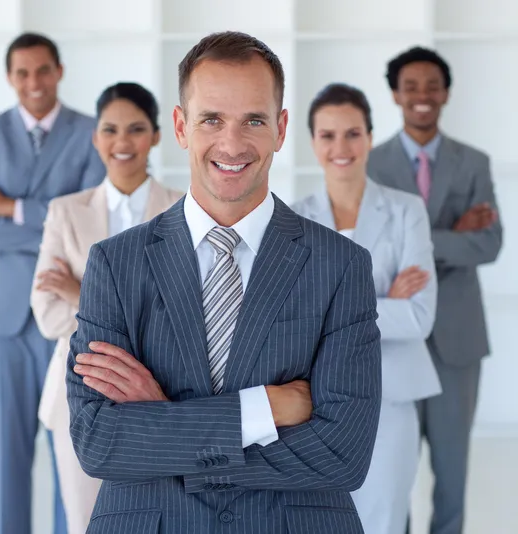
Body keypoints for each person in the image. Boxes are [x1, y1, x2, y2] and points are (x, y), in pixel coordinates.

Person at [65, 31, 382, 534]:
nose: (232, 144)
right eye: (211, 119)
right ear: (180, 126)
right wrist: (263, 410)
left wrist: (166, 424)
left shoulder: (341, 265)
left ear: (279, 129)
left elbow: (343, 453)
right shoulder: (115, 264)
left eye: (253, 120)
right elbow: (99, 440)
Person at [0, 32, 105, 534]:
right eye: (22, 73)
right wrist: (51, 228)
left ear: (60, 71)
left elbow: (90, 215)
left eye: (43, 70)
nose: (33, 82)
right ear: (9, 78)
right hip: (1, 319)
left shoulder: (91, 132)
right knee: (8, 457)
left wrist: (9, 207)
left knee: (72, 452)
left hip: (68, 316)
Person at [30, 82, 183, 534]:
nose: (122, 142)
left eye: (136, 129)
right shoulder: (65, 212)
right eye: (110, 130)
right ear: (95, 137)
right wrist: (139, 309)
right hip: (76, 401)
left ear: (156, 135)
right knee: (84, 524)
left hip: (163, 396)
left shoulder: (183, 209)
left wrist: (81, 294)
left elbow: (185, 314)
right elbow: (46, 315)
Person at [291, 83, 441, 534]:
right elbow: (296, 323)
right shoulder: (293, 221)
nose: (341, 147)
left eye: (353, 133)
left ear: (371, 137)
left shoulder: (406, 210)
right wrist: (383, 303)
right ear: (313, 142)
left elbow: (419, 317)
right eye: (328, 135)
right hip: (315, 402)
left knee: (385, 521)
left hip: (392, 397)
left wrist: (332, 311)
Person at [367, 47, 503, 534]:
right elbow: (373, 247)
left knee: (452, 471)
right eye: (411, 87)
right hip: (395, 338)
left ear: (445, 93)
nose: (422, 96)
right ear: (396, 95)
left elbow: (488, 243)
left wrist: (419, 241)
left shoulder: (474, 163)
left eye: (431, 86)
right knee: (391, 468)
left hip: (457, 339)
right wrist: (452, 233)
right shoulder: (372, 163)